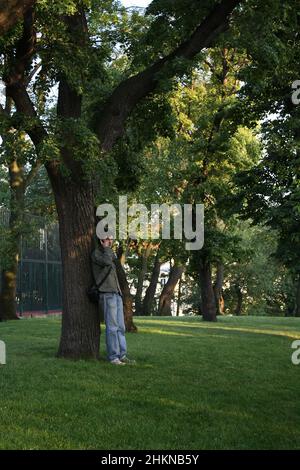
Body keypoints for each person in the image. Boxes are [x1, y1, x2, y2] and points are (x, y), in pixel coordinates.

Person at [91, 235, 136, 366]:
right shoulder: (97, 254)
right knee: (112, 327)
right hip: (106, 293)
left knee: (120, 327)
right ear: (101, 240)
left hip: (116, 293)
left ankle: (122, 355)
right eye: (107, 239)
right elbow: (106, 262)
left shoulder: (109, 254)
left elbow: (113, 263)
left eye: (111, 239)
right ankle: (113, 357)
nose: (110, 241)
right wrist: (107, 249)